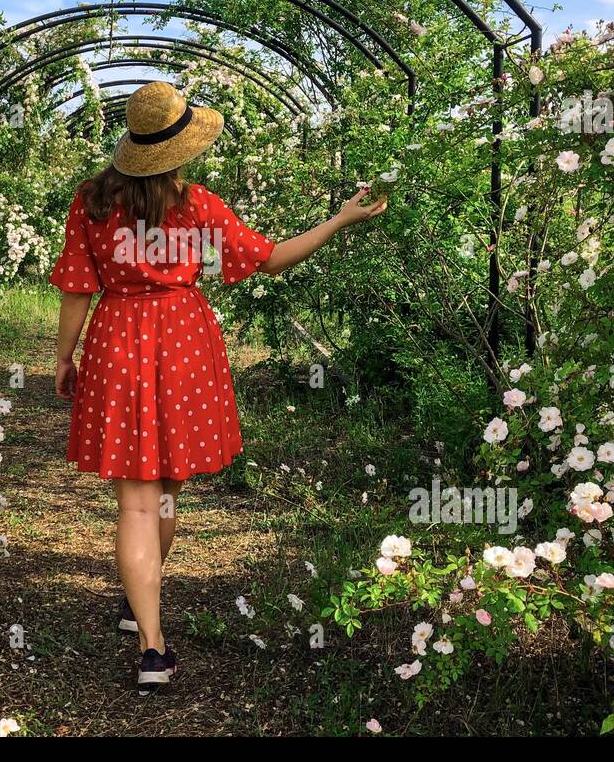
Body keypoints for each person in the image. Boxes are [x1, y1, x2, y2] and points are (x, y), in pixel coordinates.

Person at [49, 81, 387, 689]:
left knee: (136, 501)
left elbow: (78, 287)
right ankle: (143, 607)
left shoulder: (92, 202)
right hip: (183, 342)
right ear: (180, 148)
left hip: (119, 339)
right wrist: (340, 219)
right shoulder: (198, 206)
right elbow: (270, 256)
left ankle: (151, 641)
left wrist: (64, 357)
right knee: (168, 488)